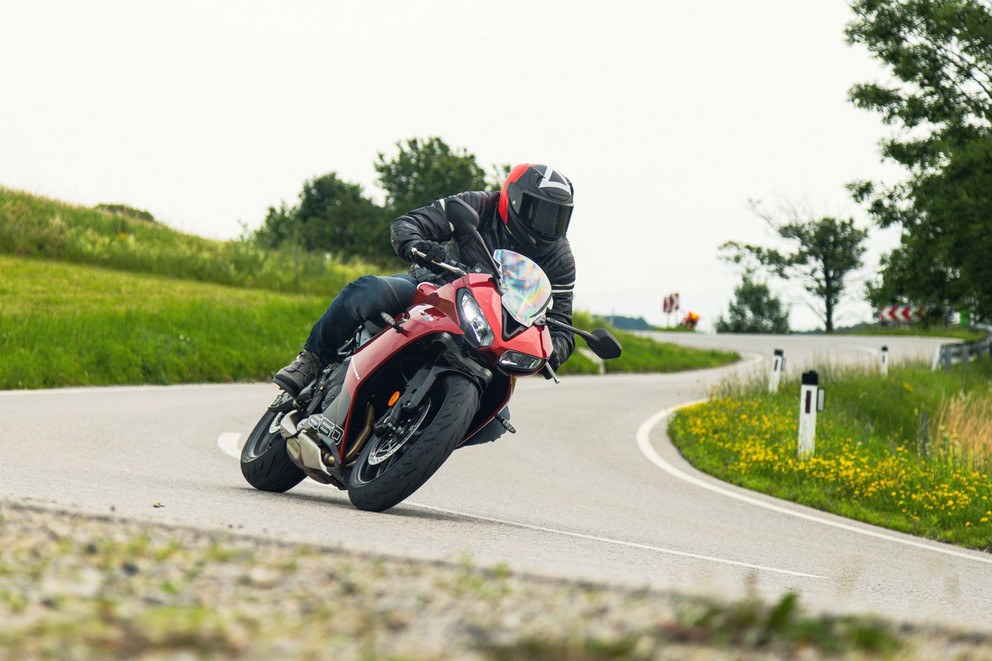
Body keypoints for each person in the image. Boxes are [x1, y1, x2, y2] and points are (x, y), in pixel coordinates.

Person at [273, 164, 578, 426]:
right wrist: (419, 245)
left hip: (494, 327)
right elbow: (410, 223)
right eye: (537, 211)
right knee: (369, 291)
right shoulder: (479, 206)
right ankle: (313, 359)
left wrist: (552, 350)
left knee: (498, 415)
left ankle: (426, 429)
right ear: (511, 199)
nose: (545, 224)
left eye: (556, 216)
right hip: (433, 289)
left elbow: (561, 320)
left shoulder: (559, 258)